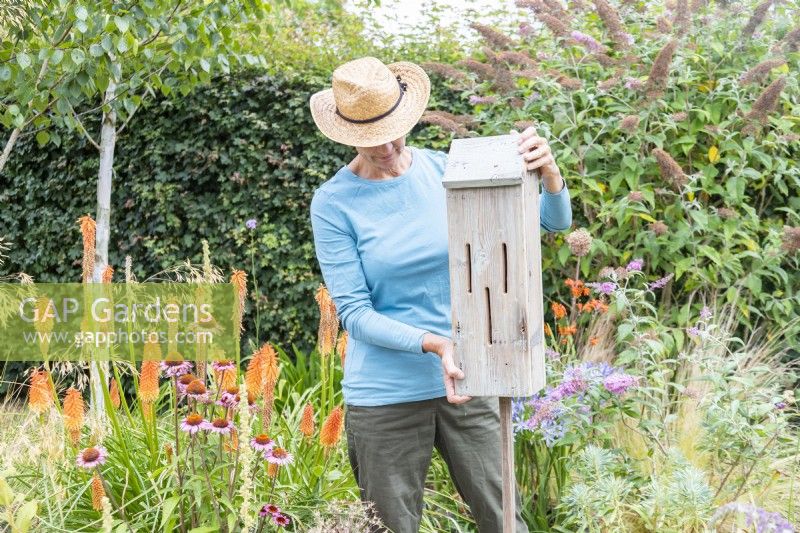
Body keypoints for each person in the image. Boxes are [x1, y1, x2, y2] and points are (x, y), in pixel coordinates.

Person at [308, 56, 572, 533]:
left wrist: (550, 177)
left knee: (504, 519)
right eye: (371, 139)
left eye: (394, 130)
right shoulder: (333, 203)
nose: (387, 146)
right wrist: (436, 344)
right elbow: (354, 313)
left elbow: (548, 223)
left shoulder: (446, 171)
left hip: (470, 380)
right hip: (384, 396)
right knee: (391, 527)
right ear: (346, 133)